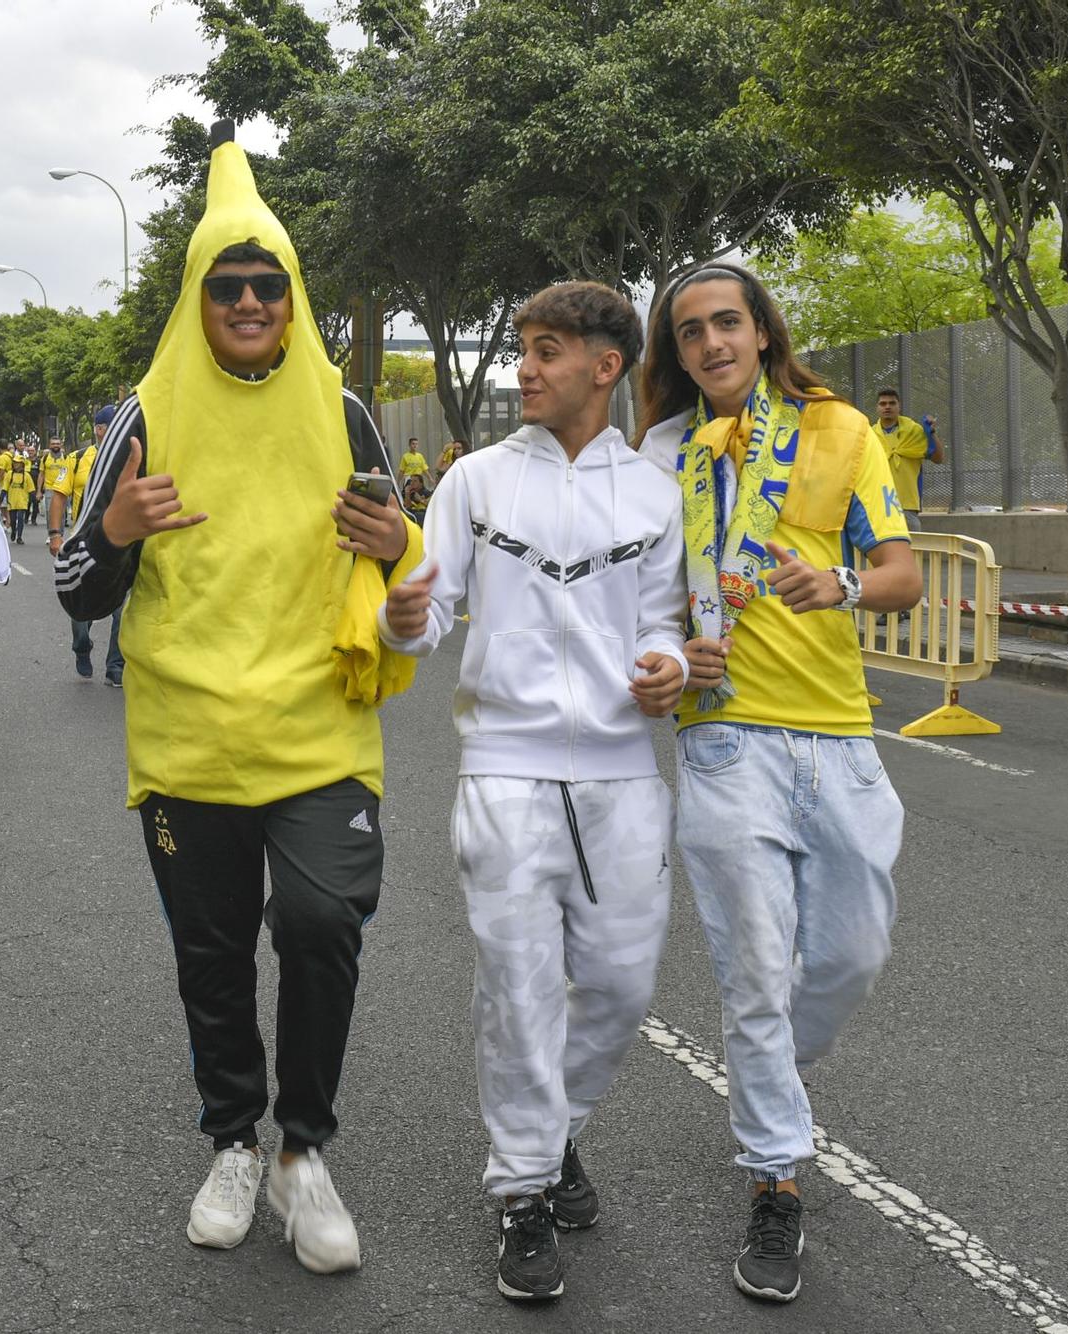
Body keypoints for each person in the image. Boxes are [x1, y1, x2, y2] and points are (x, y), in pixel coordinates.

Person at [56, 123, 422, 1276]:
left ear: (292, 291)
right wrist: (116, 529)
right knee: (211, 954)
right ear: (196, 296)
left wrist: (401, 542)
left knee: (319, 926)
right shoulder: (145, 414)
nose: (252, 299)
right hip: (188, 740)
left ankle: (300, 1152)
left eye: (270, 282)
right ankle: (231, 1137)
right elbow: (73, 585)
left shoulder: (347, 409)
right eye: (229, 284)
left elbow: (405, 565)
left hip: (319, 730)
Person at [381, 282, 687, 1303]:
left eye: (545, 350)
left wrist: (665, 665)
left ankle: (551, 1136)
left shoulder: (651, 493)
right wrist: (400, 606)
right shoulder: (471, 480)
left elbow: (659, 620)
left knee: (617, 986)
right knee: (515, 985)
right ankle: (519, 1188)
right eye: (522, 348)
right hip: (502, 767)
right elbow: (425, 625)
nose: (524, 368)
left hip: (619, 776)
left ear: (604, 367)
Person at [634, 261, 922, 1305]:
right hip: (720, 742)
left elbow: (900, 571)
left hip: (838, 738)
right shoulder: (656, 456)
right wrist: (671, 653)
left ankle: (773, 1085)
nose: (709, 342)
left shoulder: (841, 429)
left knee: (848, 953)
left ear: (759, 331)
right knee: (752, 972)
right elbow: (640, 601)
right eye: (688, 332)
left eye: (726, 322)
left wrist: (835, 580)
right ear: (674, 353)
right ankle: (775, 1178)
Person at [48, 408, 124, 685]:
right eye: (112, 426)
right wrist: (55, 534)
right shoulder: (77, 459)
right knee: (81, 607)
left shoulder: (134, 457)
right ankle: (82, 646)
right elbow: (58, 497)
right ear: (99, 429)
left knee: (123, 611)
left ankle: (115, 665)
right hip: (83, 542)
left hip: (122, 545)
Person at [873, 388, 942, 531]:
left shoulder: (914, 432)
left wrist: (932, 432)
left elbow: (938, 458)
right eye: (883, 403)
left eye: (892, 403)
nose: (887, 407)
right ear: (877, 408)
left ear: (899, 407)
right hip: (877, 506)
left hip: (907, 506)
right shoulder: (870, 436)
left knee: (912, 551)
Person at [4, 440, 34, 542]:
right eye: (15, 463)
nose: (17, 465)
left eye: (19, 463)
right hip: (12, 501)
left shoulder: (27, 476)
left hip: (22, 501)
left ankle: (19, 537)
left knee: (20, 519)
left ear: (22, 464)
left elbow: (31, 489)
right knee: (13, 520)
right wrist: (0, 499)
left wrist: (33, 498)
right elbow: (5, 488)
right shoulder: (9, 474)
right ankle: (13, 531)